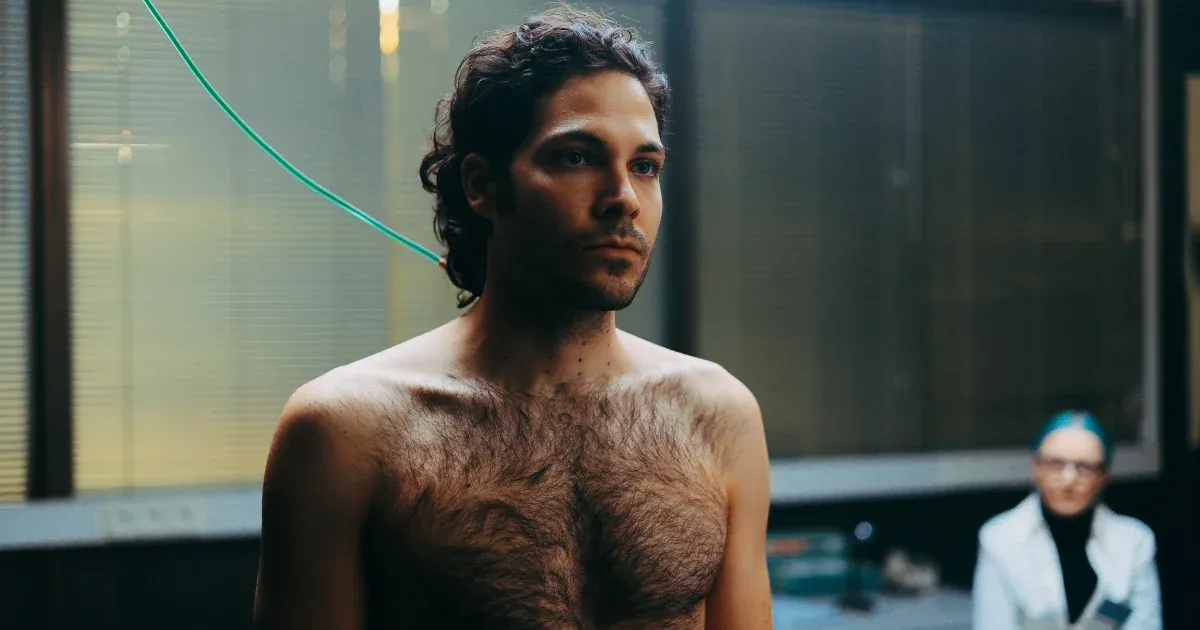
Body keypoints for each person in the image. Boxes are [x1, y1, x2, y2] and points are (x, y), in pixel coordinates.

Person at [252, 7, 773, 629]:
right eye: (576, 157)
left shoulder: (719, 417)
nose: (623, 200)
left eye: (644, 166)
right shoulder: (345, 433)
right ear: (482, 185)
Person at [972, 411, 1161, 629]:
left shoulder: (1135, 542)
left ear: (1104, 476)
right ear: (1036, 467)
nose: (1069, 479)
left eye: (1085, 467)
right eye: (1056, 464)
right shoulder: (999, 539)